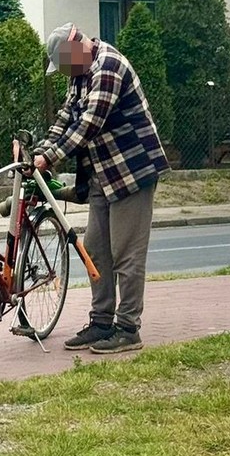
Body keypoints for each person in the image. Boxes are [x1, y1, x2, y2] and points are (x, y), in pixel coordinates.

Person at [35, 22, 169, 354]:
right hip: (101, 173)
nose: (66, 72)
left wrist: (50, 158)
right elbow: (66, 117)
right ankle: (101, 322)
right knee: (96, 249)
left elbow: (88, 124)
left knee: (127, 254)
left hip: (132, 171)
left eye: (66, 64)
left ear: (77, 47)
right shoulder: (78, 73)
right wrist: (40, 150)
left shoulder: (109, 66)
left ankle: (127, 328)